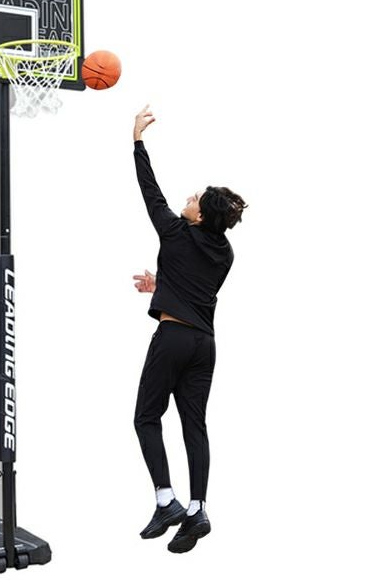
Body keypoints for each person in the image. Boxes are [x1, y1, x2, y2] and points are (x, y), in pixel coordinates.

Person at [131, 104, 247, 553]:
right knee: (194, 426)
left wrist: (137, 140)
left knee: (146, 417)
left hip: (174, 339)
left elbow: (150, 192)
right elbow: (195, 286)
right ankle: (198, 509)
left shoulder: (177, 232)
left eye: (194, 199)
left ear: (199, 217)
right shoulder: (225, 253)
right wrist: (161, 286)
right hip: (204, 344)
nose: (188, 199)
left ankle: (166, 501)